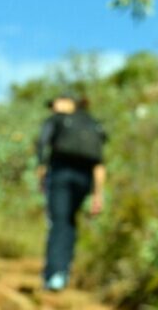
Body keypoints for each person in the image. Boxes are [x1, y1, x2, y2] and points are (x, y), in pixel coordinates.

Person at [36, 93, 107, 291]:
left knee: (59, 222)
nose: (53, 108)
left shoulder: (57, 120)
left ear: (69, 103)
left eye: (55, 103)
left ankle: (54, 274)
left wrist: (41, 171)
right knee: (69, 222)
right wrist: (98, 195)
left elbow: (42, 144)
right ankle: (63, 271)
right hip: (84, 180)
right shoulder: (93, 124)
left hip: (61, 175)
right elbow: (99, 163)